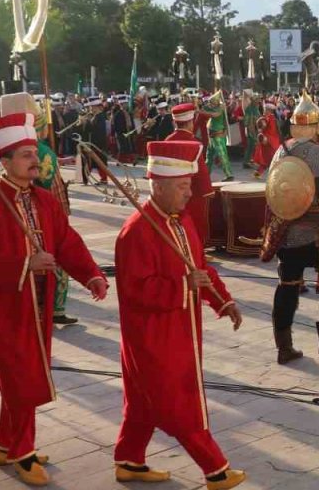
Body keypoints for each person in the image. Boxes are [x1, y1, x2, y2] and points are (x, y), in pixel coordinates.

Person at [0, 112, 110, 486]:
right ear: (5, 161)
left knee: (24, 377)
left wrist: (91, 273)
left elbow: (66, 241)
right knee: (22, 379)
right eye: (26, 154)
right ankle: (22, 452)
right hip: (6, 309)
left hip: (39, 307)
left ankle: (4, 443)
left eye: (34, 152)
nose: (36, 160)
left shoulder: (44, 200)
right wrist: (25, 263)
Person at [112, 140, 247, 489]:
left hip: (181, 328)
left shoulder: (182, 222)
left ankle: (128, 459)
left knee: (144, 401)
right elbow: (135, 290)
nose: (189, 194)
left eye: (189, 186)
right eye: (182, 187)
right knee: (178, 401)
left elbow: (199, 269)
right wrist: (182, 284)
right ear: (158, 185)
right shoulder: (136, 231)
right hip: (152, 335)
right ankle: (215, 469)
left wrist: (222, 300)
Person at [262, 91, 319, 364]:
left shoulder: (281, 150)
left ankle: (284, 347)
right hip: (316, 234)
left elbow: (274, 189)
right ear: (316, 126)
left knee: (287, 285)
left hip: (287, 230)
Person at [0, 93, 78, 326]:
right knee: (56, 259)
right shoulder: (41, 151)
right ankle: (54, 307)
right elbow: (44, 180)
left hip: (42, 209)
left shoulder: (34, 149)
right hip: (46, 213)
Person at [167, 103, 216, 247]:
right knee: (195, 222)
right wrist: (208, 190)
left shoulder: (167, 140)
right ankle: (196, 251)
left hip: (171, 191)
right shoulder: (194, 143)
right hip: (192, 192)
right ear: (190, 122)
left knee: (174, 221)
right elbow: (201, 171)